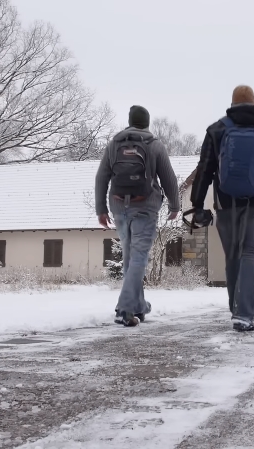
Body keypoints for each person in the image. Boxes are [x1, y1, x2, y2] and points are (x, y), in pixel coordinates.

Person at [189, 85, 254, 332]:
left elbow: (204, 169)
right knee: (252, 252)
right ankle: (244, 313)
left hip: (225, 203)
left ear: (233, 102)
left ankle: (236, 309)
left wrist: (196, 204)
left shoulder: (217, 129)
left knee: (233, 255)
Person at [95, 105, 180, 327]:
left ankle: (138, 306)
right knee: (139, 257)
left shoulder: (114, 145)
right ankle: (124, 308)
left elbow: (101, 178)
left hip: (118, 207)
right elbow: (169, 179)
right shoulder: (154, 146)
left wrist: (101, 209)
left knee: (130, 257)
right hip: (145, 207)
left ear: (130, 122)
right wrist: (174, 206)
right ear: (147, 123)